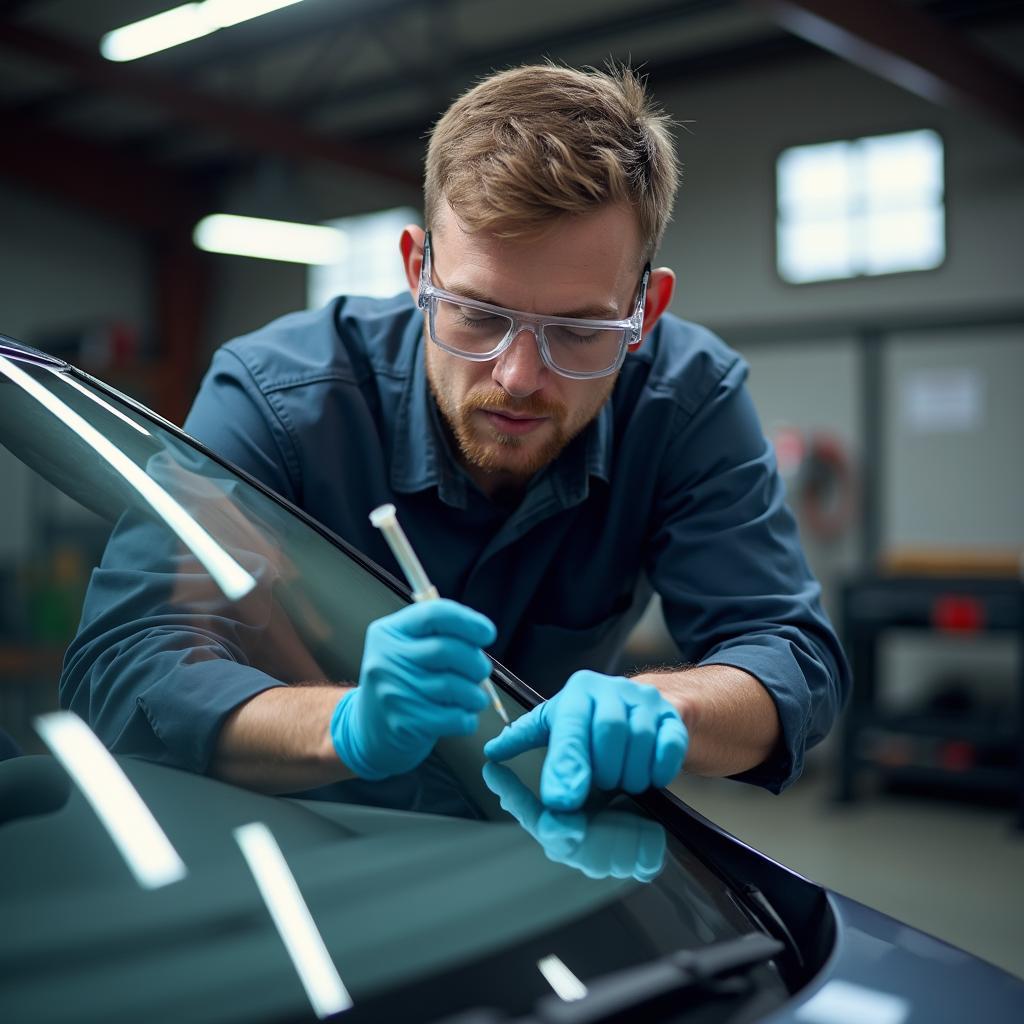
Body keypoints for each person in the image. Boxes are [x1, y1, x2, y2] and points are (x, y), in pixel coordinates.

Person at [64, 63, 849, 812]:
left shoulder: (686, 401)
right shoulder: (275, 401)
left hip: (548, 844)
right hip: (304, 845)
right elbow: (123, 665)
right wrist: (344, 727)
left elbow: (791, 657)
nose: (517, 376)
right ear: (417, 270)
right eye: (477, 314)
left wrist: (668, 706)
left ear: (644, 311)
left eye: (577, 331)